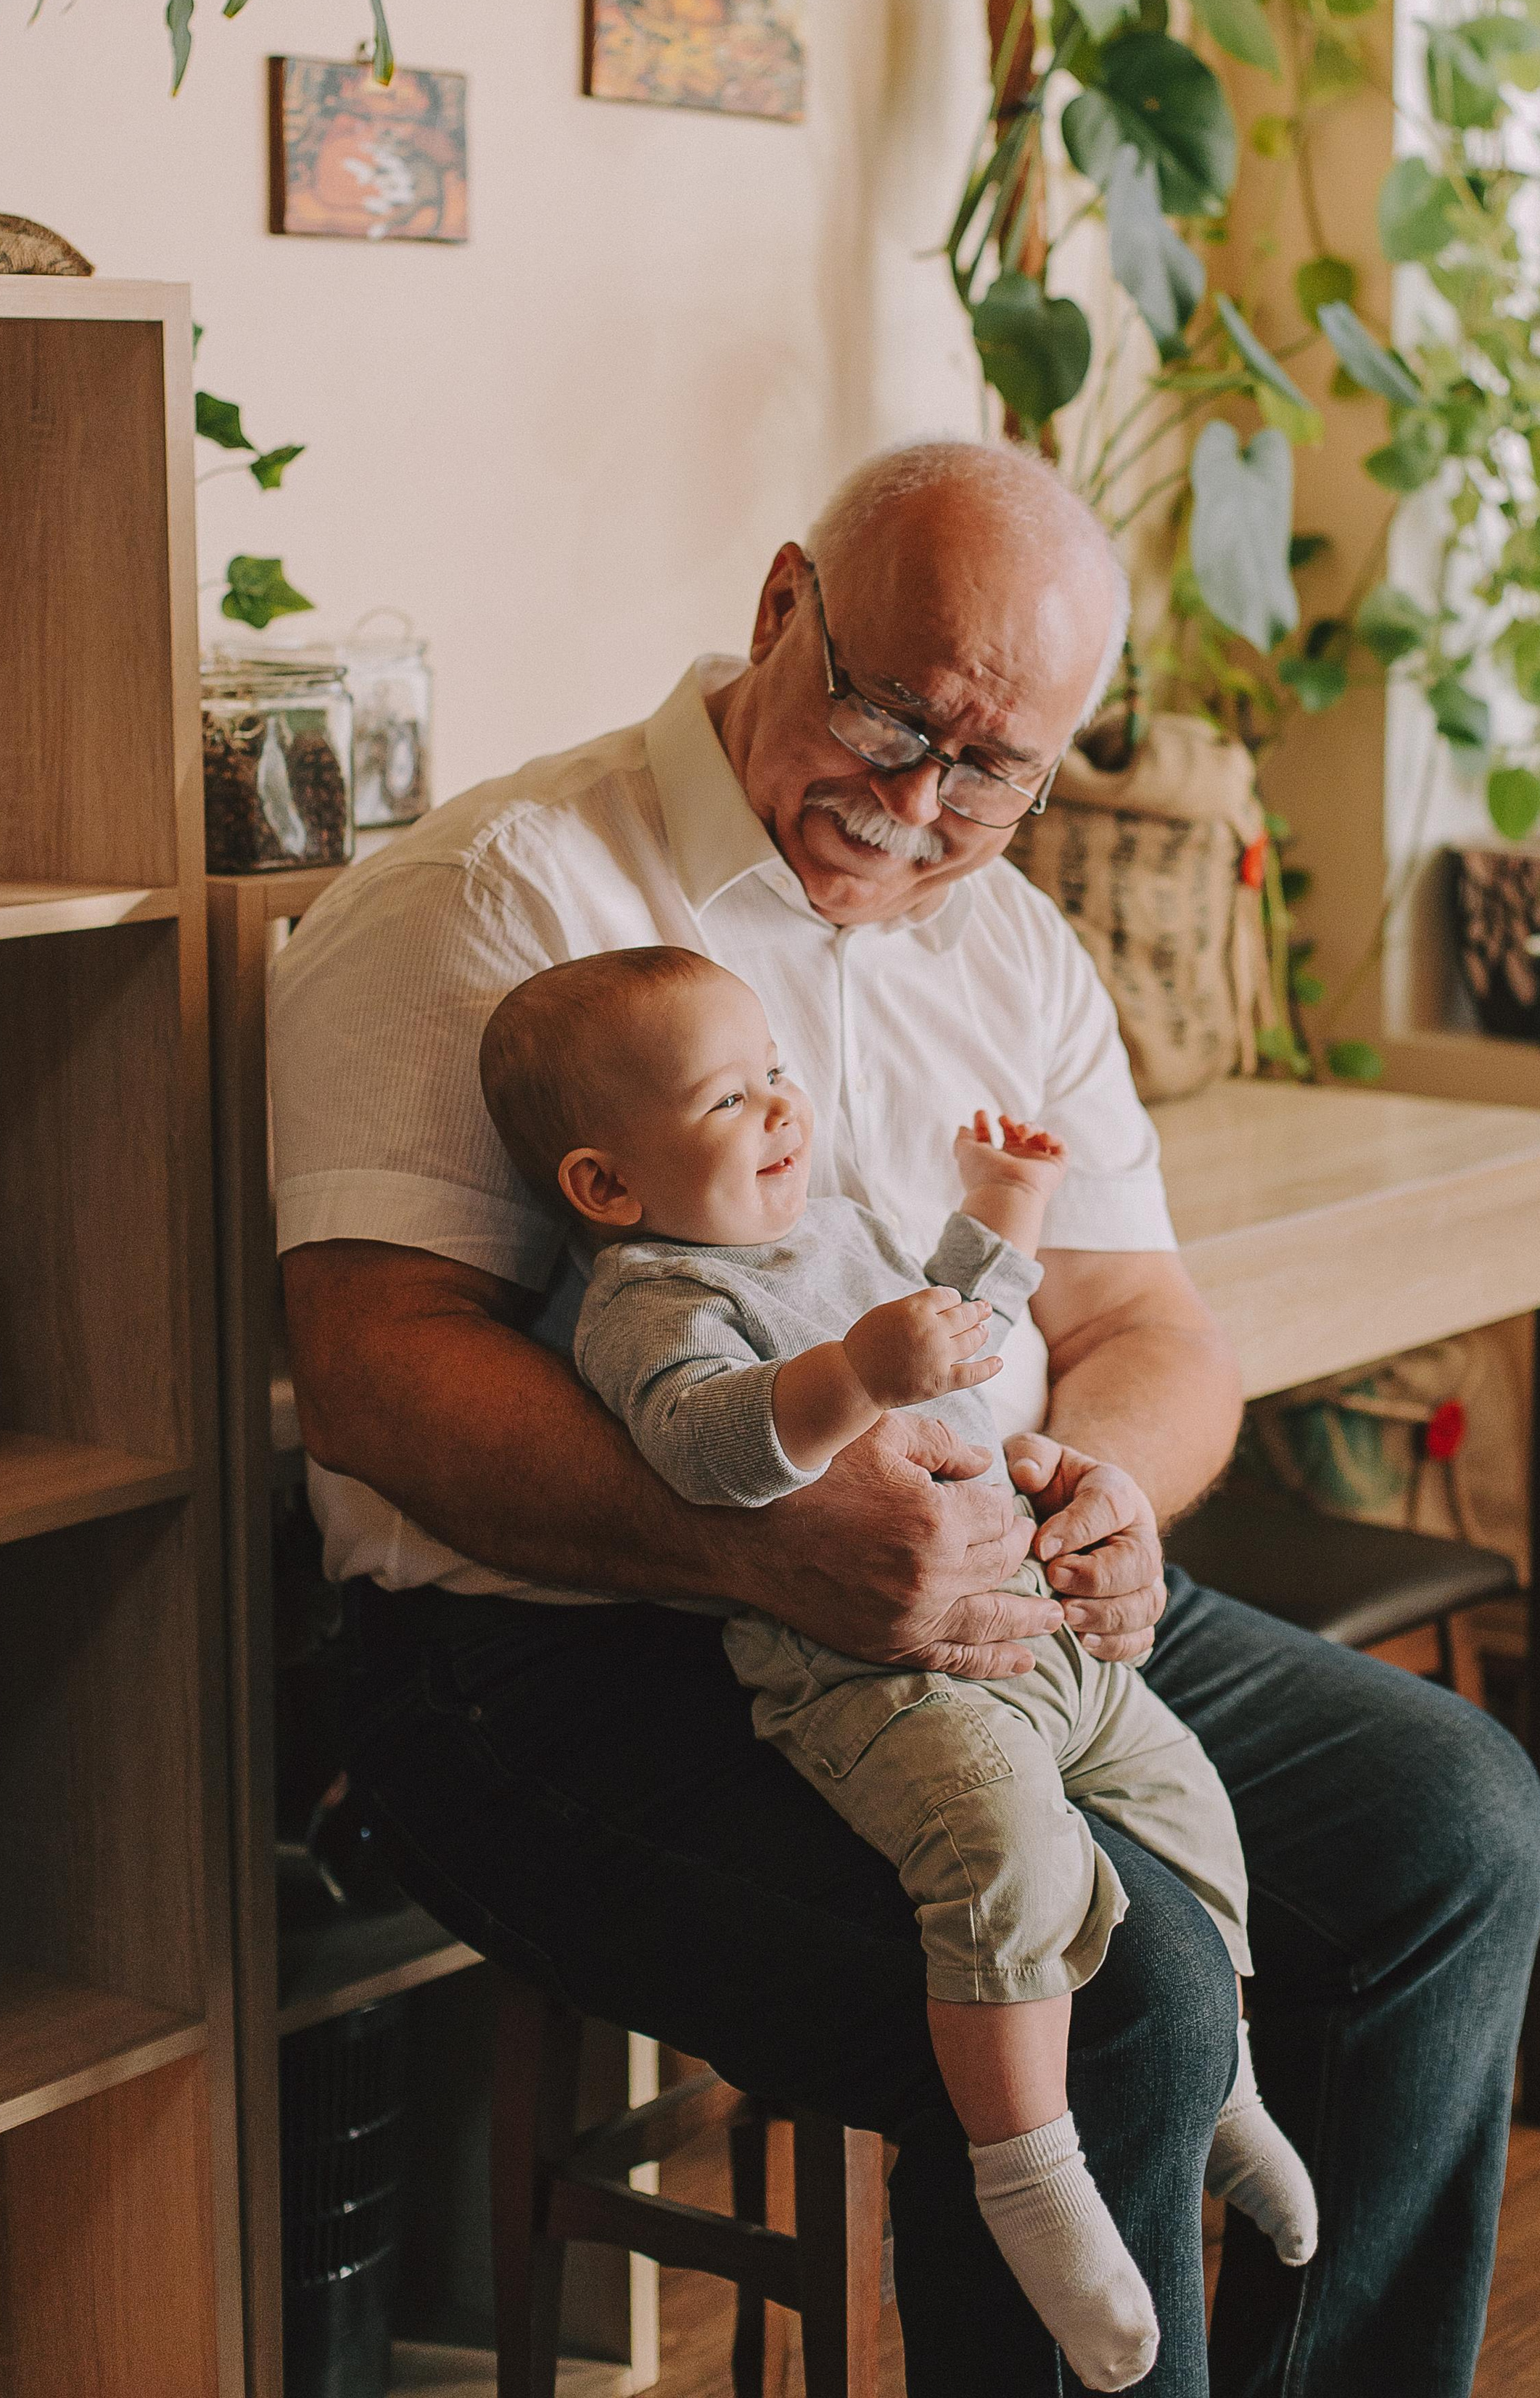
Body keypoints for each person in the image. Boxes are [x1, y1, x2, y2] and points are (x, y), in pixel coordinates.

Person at [273, 438, 1540, 2395]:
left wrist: (1101, 1497)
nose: (917, 803)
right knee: (1121, 1983)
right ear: (784, 607)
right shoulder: (492, 898)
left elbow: (1148, 1324)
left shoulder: (1007, 939)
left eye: (993, 771)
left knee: (1452, 1822)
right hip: (566, 1667)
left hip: (1000, 1608)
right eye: (889, 719)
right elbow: (374, 1370)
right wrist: (771, 1543)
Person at [477, 948, 1318, 2390]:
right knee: (1005, 1862)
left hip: (1015, 1617)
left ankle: (1227, 2086)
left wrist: (999, 1218)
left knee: (1190, 1801)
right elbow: (711, 1446)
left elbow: (956, 1339)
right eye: (730, 1097)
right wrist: (856, 1374)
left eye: (778, 1075)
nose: (780, 1110)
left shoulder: (838, 1229)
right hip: (868, 1677)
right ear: (607, 1187)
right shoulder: (651, 1298)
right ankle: (1026, 2165)